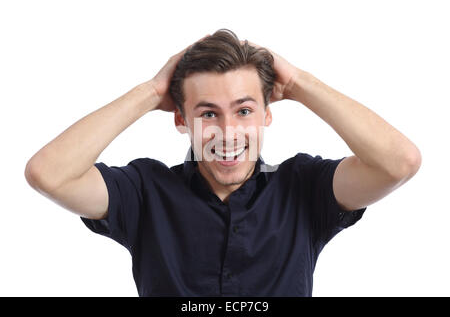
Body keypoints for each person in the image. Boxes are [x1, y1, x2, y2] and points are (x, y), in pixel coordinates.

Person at [24, 28, 421, 296]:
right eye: (208, 113)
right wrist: (150, 92)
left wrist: (299, 84)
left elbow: (399, 162)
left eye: (244, 111)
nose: (229, 132)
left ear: (267, 113)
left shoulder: (304, 187)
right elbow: (47, 174)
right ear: (181, 119)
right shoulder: (145, 191)